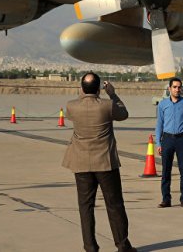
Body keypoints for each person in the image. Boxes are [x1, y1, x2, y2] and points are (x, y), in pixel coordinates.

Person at [62, 72, 134, 252]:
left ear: (81, 88)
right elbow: (123, 114)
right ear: (98, 88)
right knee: (115, 204)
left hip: (81, 163)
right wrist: (112, 93)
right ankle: (122, 245)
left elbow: (82, 103)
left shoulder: (71, 107)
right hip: (105, 162)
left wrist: (85, 93)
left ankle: (90, 247)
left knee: (85, 206)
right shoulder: (107, 106)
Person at [155, 77, 183, 208]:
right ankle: (166, 199)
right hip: (167, 139)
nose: (177, 89)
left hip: (182, 139)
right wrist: (158, 143)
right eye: (175, 87)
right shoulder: (162, 104)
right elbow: (159, 124)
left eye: (179, 87)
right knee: (166, 170)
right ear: (169, 88)